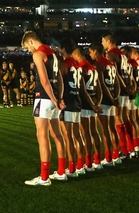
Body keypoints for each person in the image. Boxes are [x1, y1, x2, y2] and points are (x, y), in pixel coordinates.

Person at [21, 31, 66, 186]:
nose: (29, 50)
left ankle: (44, 177)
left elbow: (45, 81)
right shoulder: (53, 54)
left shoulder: (38, 54)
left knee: (42, 136)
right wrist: (59, 98)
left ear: (31, 41)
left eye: (27, 47)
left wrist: (54, 99)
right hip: (54, 100)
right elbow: (59, 78)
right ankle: (61, 172)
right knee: (57, 135)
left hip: (44, 98)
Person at [102, 33, 135, 159]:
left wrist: (124, 86)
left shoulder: (112, 53)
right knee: (125, 118)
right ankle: (131, 148)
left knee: (117, 119)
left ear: (109, 41)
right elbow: (128, 71)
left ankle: (124, 150)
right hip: (126, 88)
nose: (102, 44)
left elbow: (114, 74)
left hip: (119, 89)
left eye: (103, 41)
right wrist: (130, 84)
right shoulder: (122, 54)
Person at [89, 44, 122, 166]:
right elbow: (117, 81)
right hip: (112, 98)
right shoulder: (111, 64)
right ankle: (116, 155)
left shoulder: (99, 64)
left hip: (104, 99)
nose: (90, 54)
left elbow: (101, 84)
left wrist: (107, 98)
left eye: (90, 51)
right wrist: (115, 97)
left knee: (105, 130)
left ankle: (108, 158)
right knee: (112, 128)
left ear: (95, 51)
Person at [73, 47, 103, 172]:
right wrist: (97, 103)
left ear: (77, 54)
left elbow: (82, 90)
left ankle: (86, 164)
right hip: (93, 102)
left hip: (85, 104)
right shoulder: (93, 67)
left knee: (84, 134)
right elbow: (99, 88)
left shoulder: (81, 67)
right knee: (94, 132)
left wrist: (91, 104)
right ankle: (97, 160)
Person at [58, 42, 85, 178]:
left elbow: (60, 83)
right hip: (77, 101)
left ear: (64, 49)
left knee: (68, 137)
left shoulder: (65, 63)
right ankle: (81, 165)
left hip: (67, 102)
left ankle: (72, 168)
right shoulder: (77, 65)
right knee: (77, 135)